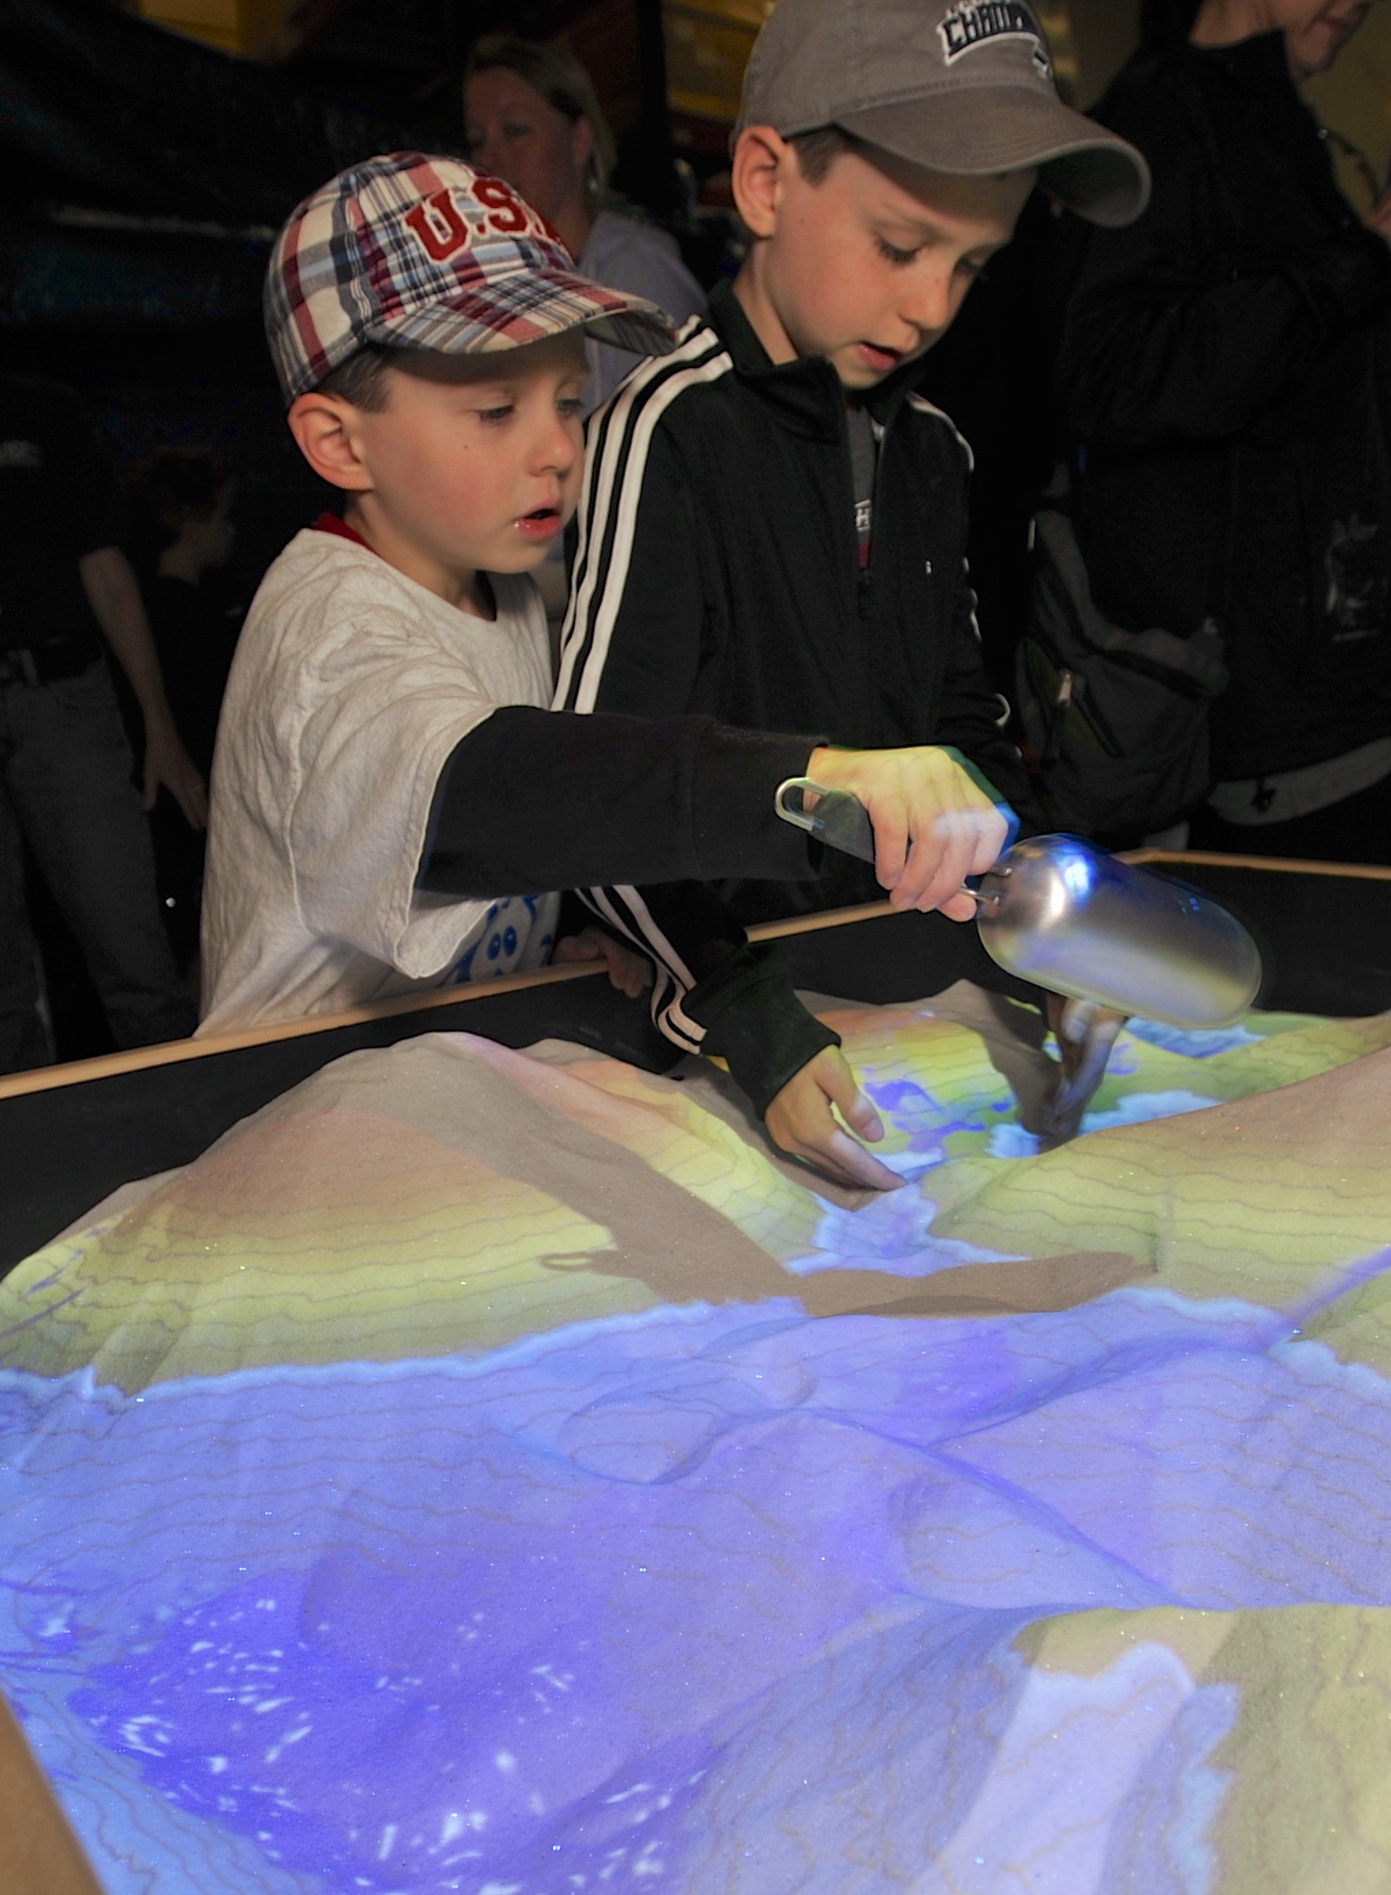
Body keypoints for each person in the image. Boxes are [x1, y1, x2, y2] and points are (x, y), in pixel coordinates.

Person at [198, 151, 1010, 1090]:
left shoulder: (499, 588)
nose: (555, 449)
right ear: (339, 441)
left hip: (428, 1086)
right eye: (497, 410)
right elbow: (496, 792)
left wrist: (560, 932)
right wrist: (808, 780)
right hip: (287, 1112)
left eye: (570, 401)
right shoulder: (328, 630)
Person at [557, 0, 1150, 1188]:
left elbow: (963, 735)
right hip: (722, 1040)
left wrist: (1050, 949)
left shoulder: (936, 449)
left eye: (971, 265)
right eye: (898, 245)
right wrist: (744, 1016)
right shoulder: (663, 433)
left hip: (897, 1012)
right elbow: (593, 795)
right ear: (767, 181)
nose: (932, 305)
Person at [1047, 0, 1391, 864]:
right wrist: (1368, 252)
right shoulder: (1158, 116)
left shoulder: (1279, 129)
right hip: (1242, 722)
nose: (1353, 4)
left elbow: (1348, 417)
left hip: (1335, 693)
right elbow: (1116, 377)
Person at [0, 212, 200, 1076]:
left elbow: (106, 571)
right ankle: (25, 1184)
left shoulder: (35, 409)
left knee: (131, 951)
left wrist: (160, 730)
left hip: (60, 701)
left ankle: (195, 1155)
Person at [463, 33, 707, 413]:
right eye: (477, 140)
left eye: (515, 131)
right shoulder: (499, 287)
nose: (489, 158)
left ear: (579, 140)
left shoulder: (634, 270)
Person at [130, 446, 241, 977]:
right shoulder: (190, 620)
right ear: (195, 524)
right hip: (195, 807)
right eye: (225, 516)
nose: (233, 531)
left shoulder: (147, 613)